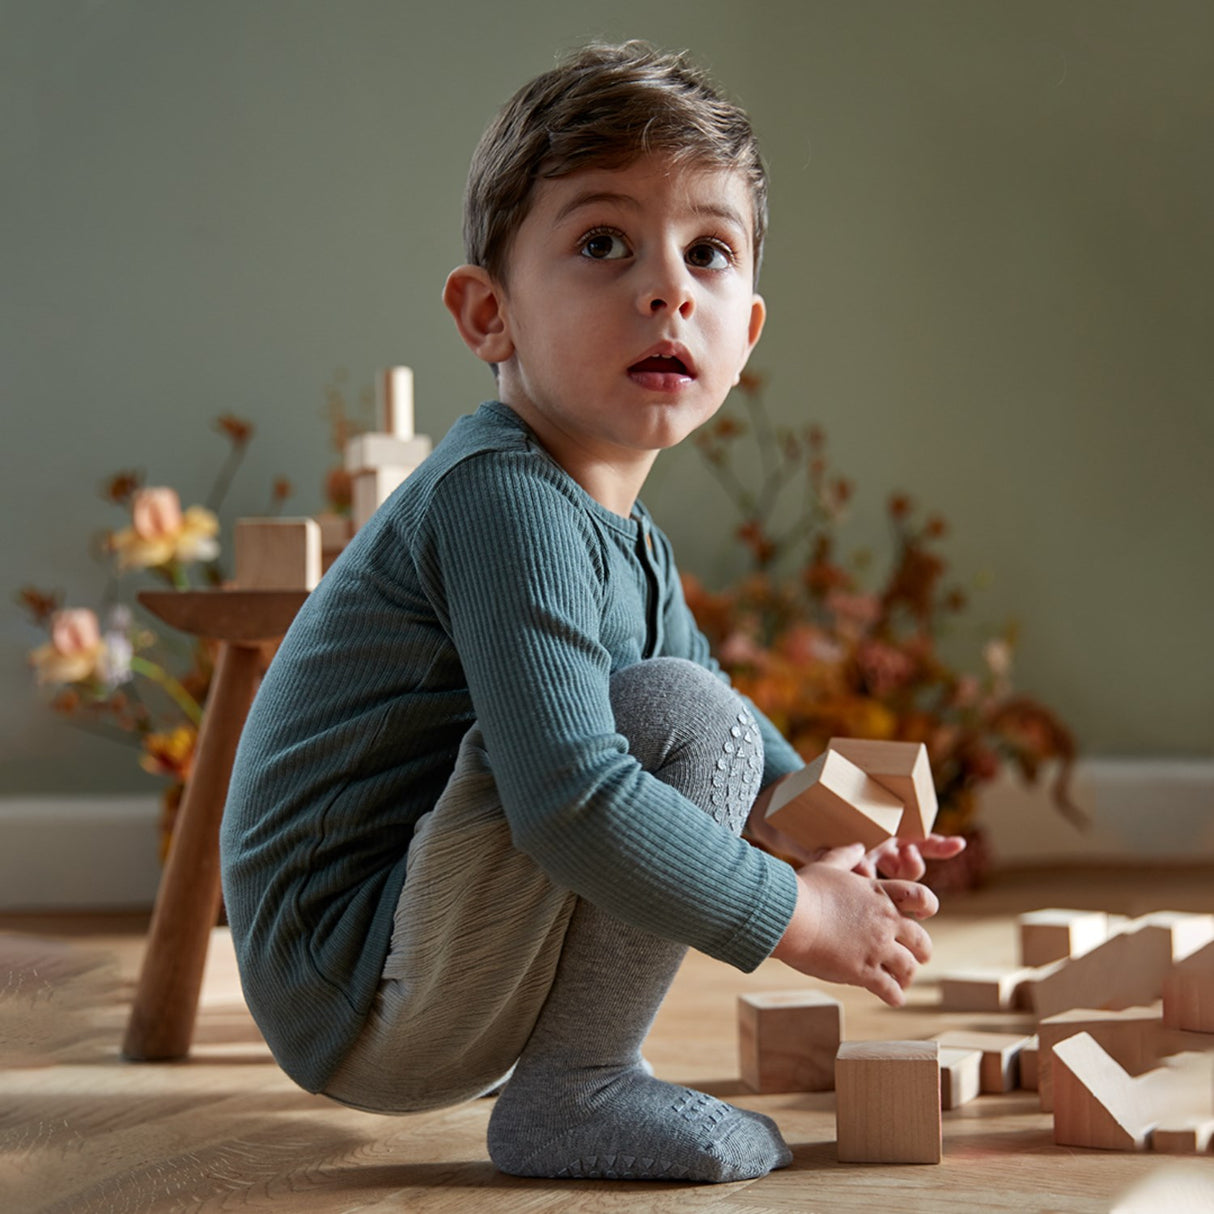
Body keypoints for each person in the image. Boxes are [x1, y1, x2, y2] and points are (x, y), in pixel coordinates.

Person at [219, 40, 964, 1184]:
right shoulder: (499, 498)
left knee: (694, 699)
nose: (664, 286)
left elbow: (734, 733)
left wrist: (831, 830)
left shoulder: (625, 539)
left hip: (415, 963)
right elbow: (570, 802)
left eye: (705, 253)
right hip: (355, 978)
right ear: (486, 315)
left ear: (745, 334)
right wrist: (797, 919)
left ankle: (579, 1077)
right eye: (601, 243)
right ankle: (578, 1089)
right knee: (676, 712)